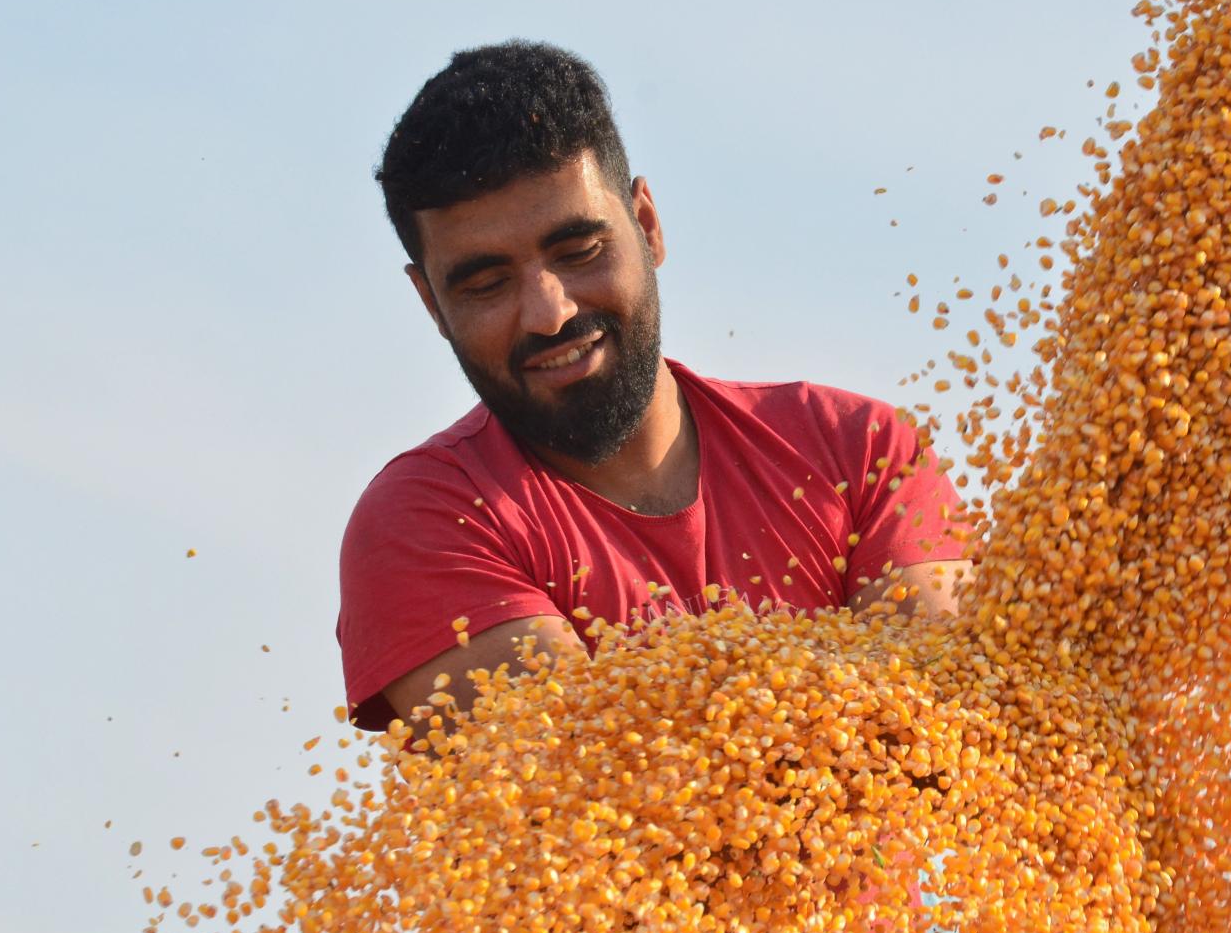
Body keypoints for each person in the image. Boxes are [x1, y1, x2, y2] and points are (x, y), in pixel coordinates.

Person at [337, 41, 973, 733]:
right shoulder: (427, 523)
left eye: (580, 252)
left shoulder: (858, 452)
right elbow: (581, 787)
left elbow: (942, 724)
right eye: (487, 284)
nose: (550, 312)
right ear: (432, 304)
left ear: (646, 224)